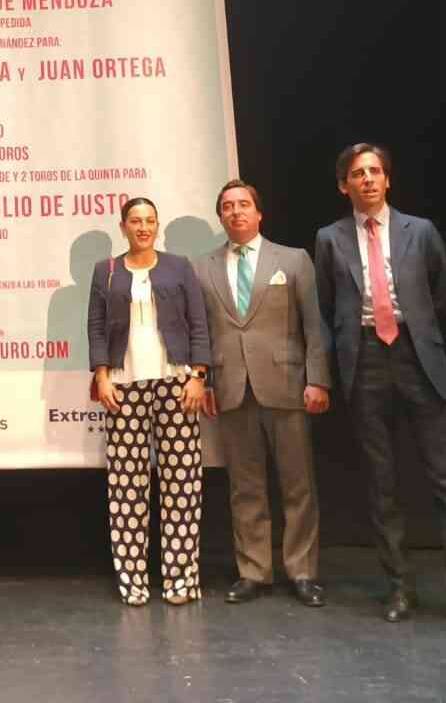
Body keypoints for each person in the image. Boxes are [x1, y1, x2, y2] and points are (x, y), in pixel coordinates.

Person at [314, 144, 446, 636]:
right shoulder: (329, 239)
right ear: (344, 185)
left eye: (375, 171)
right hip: (365, 361)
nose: (368, 179)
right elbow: (326, 306)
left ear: (388, 180)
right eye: (358, 173)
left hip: (417, 357)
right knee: (382, 483)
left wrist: (417, 327)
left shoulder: (421, 231)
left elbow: (443, 292)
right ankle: (399, 588)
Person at [194, 179, 331, 608]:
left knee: (297, 484)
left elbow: (314, 325)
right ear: (221, 217)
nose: (235, 211)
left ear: (259, 213)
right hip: (231, 387)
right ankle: (253, 571)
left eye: (243, 204)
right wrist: (205, 381)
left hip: (287, 386)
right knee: (245, 485)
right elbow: (201, 332)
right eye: (227, 206)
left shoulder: (292, 260)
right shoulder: (202, 267)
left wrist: (318, 379)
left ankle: (302, 572)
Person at [87, 197, 215, 606]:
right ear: (122, 227)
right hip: (123, 388)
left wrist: (198, 376)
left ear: (158, 226)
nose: (143, 227)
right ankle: (133, 582)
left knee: (182, 485)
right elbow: (95, 328)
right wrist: (102, 375)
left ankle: (181, 580)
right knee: (127, 487)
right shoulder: (105, 270)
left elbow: (198, 324)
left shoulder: (179, 266)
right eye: (135, 221)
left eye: (150, 221)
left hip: (176, 385)